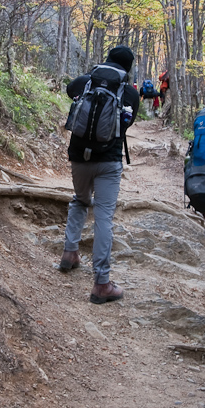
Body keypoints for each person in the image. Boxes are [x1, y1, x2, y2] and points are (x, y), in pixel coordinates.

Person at [59, 45, 140, 304]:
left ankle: (70, 253)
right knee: (103, 216)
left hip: (79, 155)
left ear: (106, 60)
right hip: (109, 160)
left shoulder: (86, 81)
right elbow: (129, 122)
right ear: (127, 68)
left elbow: (69, 89)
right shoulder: (129, 92)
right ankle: (101, 283)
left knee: (80, 200)